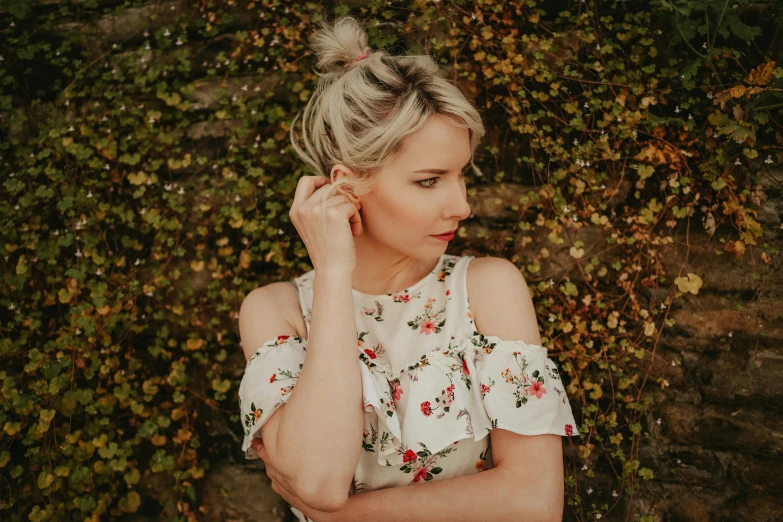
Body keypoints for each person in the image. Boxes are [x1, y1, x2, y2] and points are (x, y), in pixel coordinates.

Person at [237, 15, 579, 522]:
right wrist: (332, 271)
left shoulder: (486, 288)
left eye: (461, 175)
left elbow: (534, 502)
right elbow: (319, 481)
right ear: (347, 186)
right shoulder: (276, 310)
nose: (461, 206)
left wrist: (337, 518)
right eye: (429, 180)